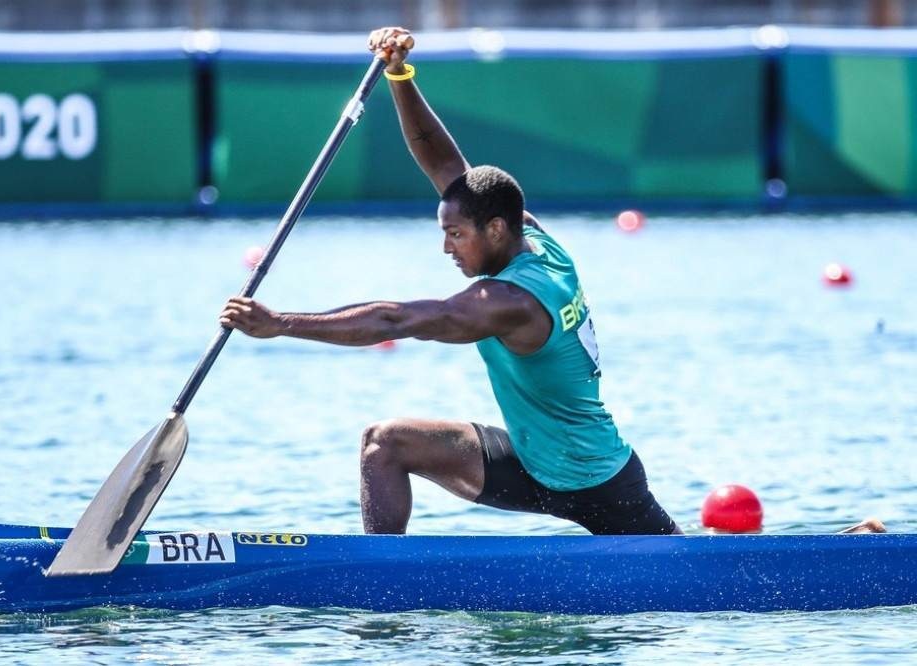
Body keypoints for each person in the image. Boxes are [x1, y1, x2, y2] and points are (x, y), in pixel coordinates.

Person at [220, 27, 680, 536]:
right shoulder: (534, 239)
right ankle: (382, 582)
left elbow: (397, 319)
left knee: (688, 575)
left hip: (598, 484)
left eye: (456, 234)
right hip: (532, 462)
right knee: (385, 442)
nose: (447, 247)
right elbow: (445, 164)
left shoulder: (509, 301)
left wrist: (281, 323)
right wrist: (399, 74)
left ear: (495, 228)